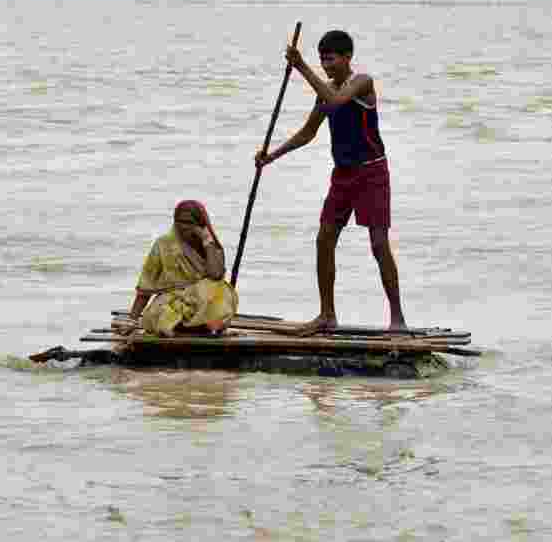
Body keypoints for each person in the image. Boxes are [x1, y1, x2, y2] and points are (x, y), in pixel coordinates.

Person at [254, 29, 406, 333]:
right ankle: (327, 315)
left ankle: (397, 319)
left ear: (347, 58)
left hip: (372, 172)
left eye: (331, 59)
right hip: (343, 176)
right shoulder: (325, 93)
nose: (326, 65)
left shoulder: (361, 82)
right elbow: (307, 134)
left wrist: (301, 67)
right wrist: (271, 156)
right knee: (324, 240)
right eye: (322, 59)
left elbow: (337, 100)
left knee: (378, 244)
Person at [128, 200, 239, 336]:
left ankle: (203, 326)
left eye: (189, 223)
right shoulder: (164, 244)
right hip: (173, 300)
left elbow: (215, 274)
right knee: (162, 313)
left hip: (201, 301)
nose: (183, 227)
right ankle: (183, 327)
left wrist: (207, 241)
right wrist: (132, 320)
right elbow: (146, 285)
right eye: (179, 222)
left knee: (221, 290)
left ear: (200, 224)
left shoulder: (211, 245)